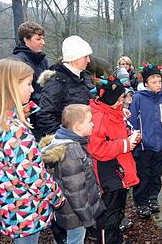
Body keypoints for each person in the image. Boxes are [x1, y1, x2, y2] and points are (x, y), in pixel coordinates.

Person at [0, 59, 64, 244]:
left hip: (10, 206)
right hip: (24, 210)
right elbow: (33, 176)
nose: (32, 90)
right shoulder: (14, 129)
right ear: (11, 86)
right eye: (28, 84)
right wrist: (57, 197)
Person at [40, 104, 105, 244]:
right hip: (75, 214)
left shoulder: (66, 142)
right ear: (77, 126)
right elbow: (76, 191)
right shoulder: (72, 151)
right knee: (76, 240)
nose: (93, 124)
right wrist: (87, 218)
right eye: (89, 121)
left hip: (71, 211)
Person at [87, 76, 140, 244]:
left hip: (120, 171)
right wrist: (125, 144)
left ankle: (115, 240)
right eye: (119, 99)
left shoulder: (114, 112)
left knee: (117, 212)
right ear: (109, 99)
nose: (122, 102)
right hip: (109, 173)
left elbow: (116, 136)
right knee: (108, 217)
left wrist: (131, 137)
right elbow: (96, 149)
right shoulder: (99, 118)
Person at [130, 63, 162, 218]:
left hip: (159, 146)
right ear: (146, 84)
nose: (158, 84)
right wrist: (134, 142)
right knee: (143, 175)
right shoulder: (138, 98)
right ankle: (141, 202)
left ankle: (152, 198)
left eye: (160, 81)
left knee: (156, 174)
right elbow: (132, 124)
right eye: (154, 81)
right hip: (143, 147)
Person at [37, 35, 95, 136]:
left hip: (87, 139)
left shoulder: (86, 77)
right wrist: (63, 139)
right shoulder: (56, 82)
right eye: (86, 56)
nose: (89, 60)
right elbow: (45, 116)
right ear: (75, 58)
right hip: (69, 144)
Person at [11, 21, 49, 140]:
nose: (43, 42)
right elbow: (18, 93)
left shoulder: (43, 60)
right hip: (27, 119)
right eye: (38, 39)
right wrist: (45, 99)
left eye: (43, 38)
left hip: (43, 117)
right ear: (26, 40)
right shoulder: (17, 62)